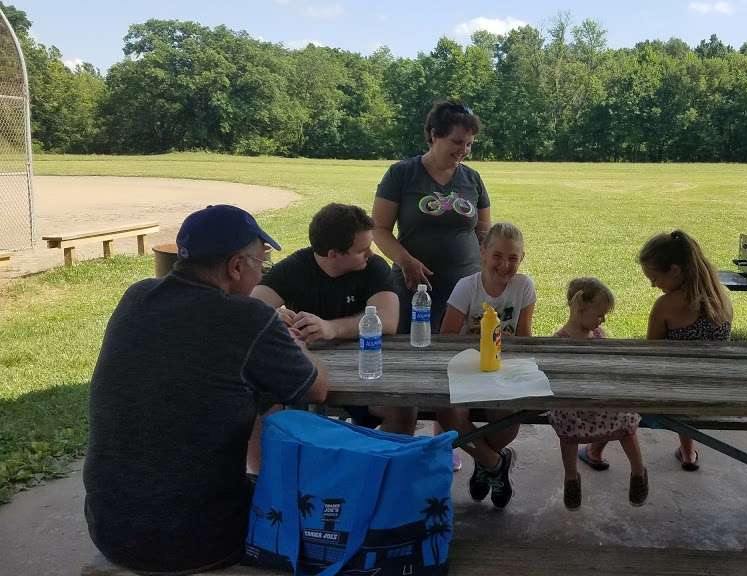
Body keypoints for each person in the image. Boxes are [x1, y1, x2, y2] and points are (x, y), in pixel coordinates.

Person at [85, 205, 328, 575]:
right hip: (200, 541)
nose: (263, 271)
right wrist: (298, 346)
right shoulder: (250, 318)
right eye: (261, 262)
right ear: (235, 266)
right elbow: (317, 389)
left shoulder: (137, 297)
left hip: (111, 528)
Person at [251, 203, 411, 454]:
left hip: (364, 371)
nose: (370, 254)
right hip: (307, 373)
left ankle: (384, 473)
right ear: (334, 254)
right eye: (362, 250)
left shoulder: (374, 267)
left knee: (402, 406)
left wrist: (331, 328)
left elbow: (388, 320)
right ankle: (271, 477)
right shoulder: (295, 267)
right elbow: (251, 308)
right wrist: (273, 316)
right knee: (261, 406)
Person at [372, 99, 491, 334]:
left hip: (466, 288)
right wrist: (406, 261)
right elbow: (379, 228)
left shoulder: (473, 179)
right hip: (413, 288)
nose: (463, 151)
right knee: (412, 353)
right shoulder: (401, 174)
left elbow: (485, 234)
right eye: (457, 142)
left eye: (469, 144)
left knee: (465, 356)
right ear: (434, 135)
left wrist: (487, 277)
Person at [438, 222, 536, 509]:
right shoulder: (467, 287)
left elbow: (526, 338)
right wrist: (478, 337)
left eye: (513, 258)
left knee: (509, 416)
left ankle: (484, 462)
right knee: (448, 413)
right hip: (466, 366)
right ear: (483, 253)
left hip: (502, 368)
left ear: (522, 258)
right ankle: (495, 462)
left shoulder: (524, 287)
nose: (505, 265)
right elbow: (446, 337)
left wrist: (510, 340)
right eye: (497, 256)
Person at [547, 278, 646, 510]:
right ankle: (571, 476)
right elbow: (554, 374)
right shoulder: (560, 340)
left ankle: (638, 472)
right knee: (566, 425)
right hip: (574, 404)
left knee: (626, 418)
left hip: (601, 398)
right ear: (580, 308)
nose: (603, 320)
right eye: (600, 314)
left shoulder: (599, 334)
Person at [639, 230, 733, 470]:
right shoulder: (722, 297)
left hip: (676, 392)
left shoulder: (666, 306)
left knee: (617, 397)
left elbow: (652, 355)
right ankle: (688, 453)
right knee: (686, 373)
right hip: (714, 387)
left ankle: (595, 450)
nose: (653, 285)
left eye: (655, 278)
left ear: (674, 270)